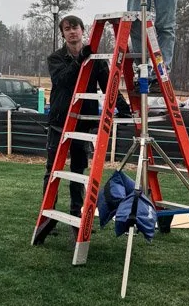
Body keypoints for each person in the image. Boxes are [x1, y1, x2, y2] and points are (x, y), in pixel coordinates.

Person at [44, 11, 131, 218]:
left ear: (83, 31)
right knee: (51, 171)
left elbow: (108, 86)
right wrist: (79, 62)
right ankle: (48, 215)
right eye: (67, 29)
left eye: (75, 27)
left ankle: (76, 212)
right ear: (63, 34)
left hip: (83, 122)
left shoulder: (97, 59)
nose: (72, 32)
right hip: (60, 121)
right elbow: (62, 81)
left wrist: (124, 108)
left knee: (78, 170)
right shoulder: (55, 58)